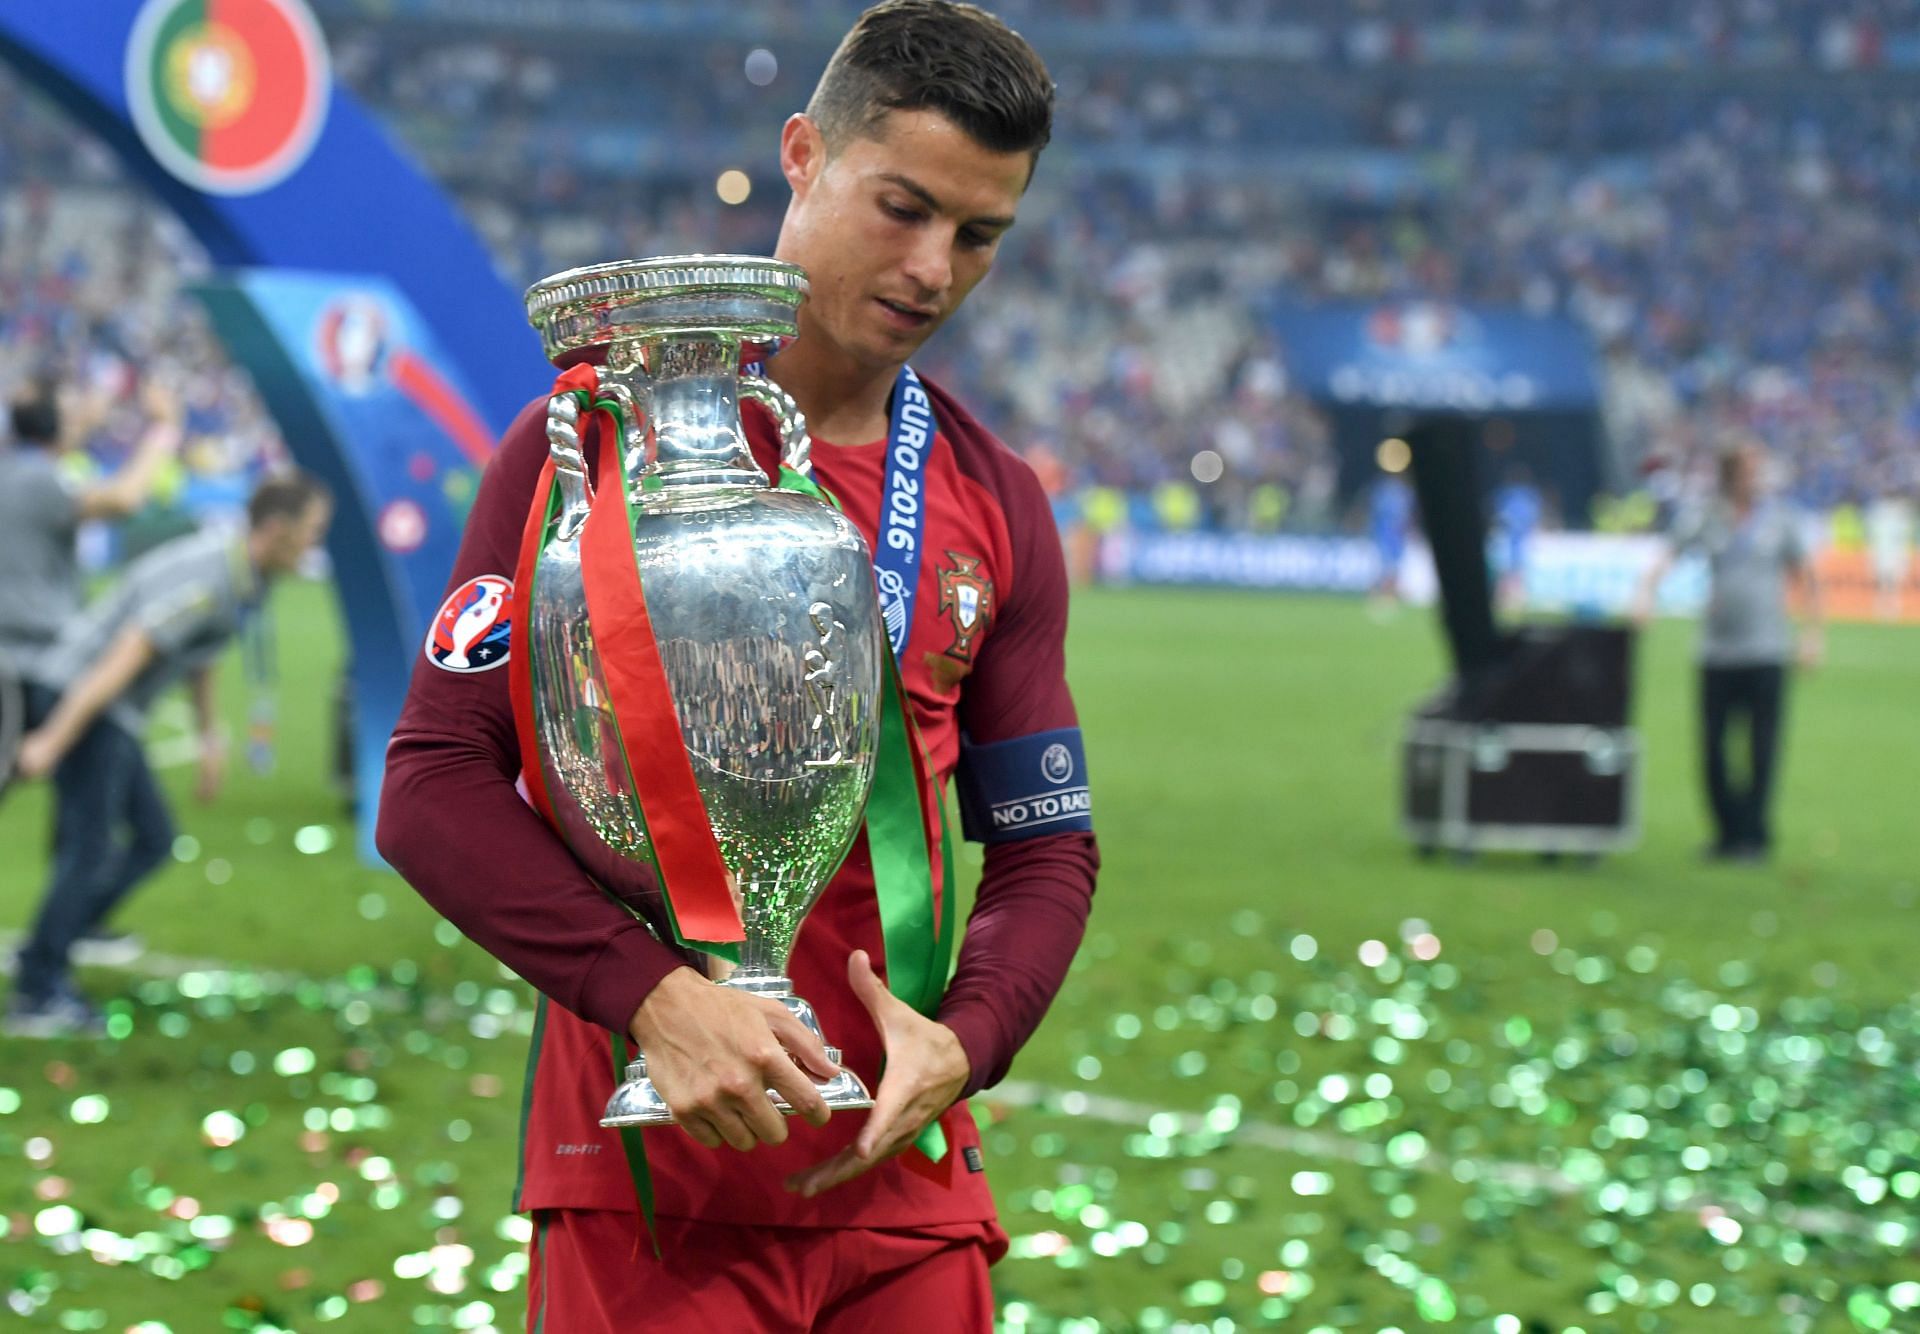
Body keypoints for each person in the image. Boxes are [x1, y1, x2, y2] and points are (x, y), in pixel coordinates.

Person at [377, 4, 1099, 1329]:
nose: (935, 267)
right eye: (904, 207)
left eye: (980, 235)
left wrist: (971, 1033)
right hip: (655, 1181)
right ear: (803, 156)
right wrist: (649, 1000)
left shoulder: (993, 498)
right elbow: (432, 784)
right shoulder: (585, 450)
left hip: (909, 1189)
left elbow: (1047, 845)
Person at [4, 471, 333, 1037]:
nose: (314, 544)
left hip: (108, 707)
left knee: (152, 839)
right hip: (86, 697)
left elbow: (195, 654)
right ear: (276, 529)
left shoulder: (241, 576)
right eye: (311, 530)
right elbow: (126, 655)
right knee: (93, 848)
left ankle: (65, 931)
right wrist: (51, 740)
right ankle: (38, 988)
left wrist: (210, 737)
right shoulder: (211, 577)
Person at [1634, 441, 1822, 862]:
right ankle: (1725, 833)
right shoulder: (1706, 515)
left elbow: (1806, 576)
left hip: (1767, 649)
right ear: (1730, 474)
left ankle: (1754, 834)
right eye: (1751, 469)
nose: (1759, 477)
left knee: (1762, 747)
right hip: (1717, 651)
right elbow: (1668, 554)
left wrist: (1811, 635)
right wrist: (1645, 594)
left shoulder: (1780, 518)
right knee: (1713, 747)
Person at [0, 375, 185, 676]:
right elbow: (125, 499)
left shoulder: (12, 470)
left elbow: (61, 444)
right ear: (56, 425)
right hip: (31, 658)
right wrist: (164, 429)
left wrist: (88, 418)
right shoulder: (41, 480)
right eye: (72, 415)